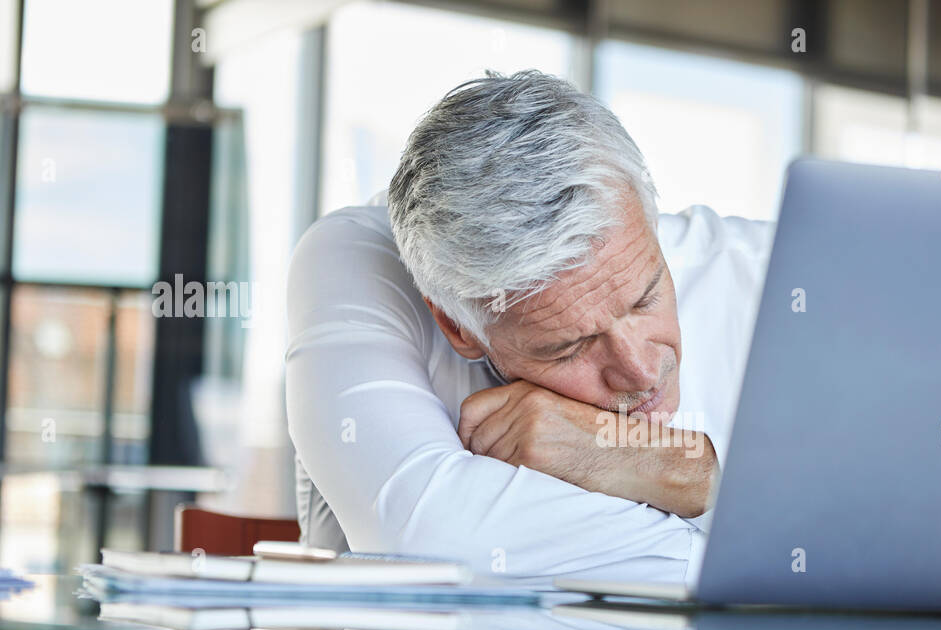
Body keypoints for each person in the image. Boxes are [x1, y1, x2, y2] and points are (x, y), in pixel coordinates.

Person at [286, 70, 772, 585]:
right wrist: (750, 540)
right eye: (569, 347)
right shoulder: (360, 253)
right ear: (456, 325)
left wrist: (679, 469)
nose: (641, 370)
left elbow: (863, 516)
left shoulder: (773, 271)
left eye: (645, 296)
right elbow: (426, 538)